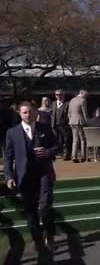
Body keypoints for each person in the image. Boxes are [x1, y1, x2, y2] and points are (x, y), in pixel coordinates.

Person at [4, 101, 58, 255]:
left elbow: (57, 147)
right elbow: (8, 157)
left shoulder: (45, 128)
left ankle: (50, 235)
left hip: (44, 174)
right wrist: (8, 176)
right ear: (20, 114)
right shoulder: (12, 132)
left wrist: (47, 152)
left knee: (44, 206)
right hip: (24, 177)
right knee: (31, 211)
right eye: (25, 112)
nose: (28, 115)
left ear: (36, 113)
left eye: (30, 112)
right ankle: (38, 241)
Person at [68, 89, 89, 163]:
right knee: (82, 139)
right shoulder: (83, 101)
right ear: (82, 93)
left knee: (75, 140)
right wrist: (87, 123)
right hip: (80, 121)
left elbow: (69, 113)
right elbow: (85, 113)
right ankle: (83, 156)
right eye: (86, 95)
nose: (86, 97)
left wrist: (70, 121)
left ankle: (74, 156)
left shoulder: (72, 100)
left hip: (72, 121)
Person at [51, 89, 72, 160]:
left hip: (64, 125)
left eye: (60, 94)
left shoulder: (67, 103)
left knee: (66, 140)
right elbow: (52, 114)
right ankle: (60, 153)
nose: (58, 96)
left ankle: (67, 154)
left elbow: (69, 114)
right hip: (55, 125)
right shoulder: (53, 103)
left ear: (63, 95)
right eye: (57, 94)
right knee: (58, 140)